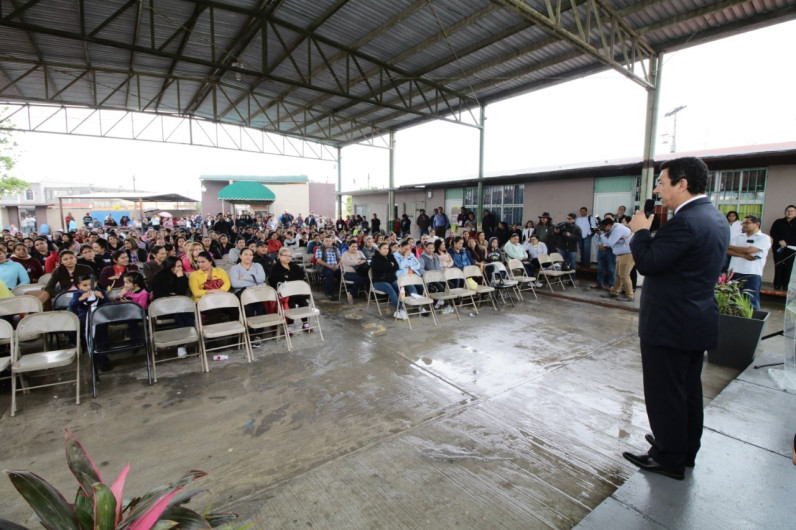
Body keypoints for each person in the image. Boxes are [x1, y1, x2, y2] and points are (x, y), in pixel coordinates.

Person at [624, 157, 730, 480]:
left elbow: (649, 262)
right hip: (695, 320)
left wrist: (641, 233)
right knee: (687, 390)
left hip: (669, 324)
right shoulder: (715, 218)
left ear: (682, 184)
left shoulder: (685, 222)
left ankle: (668, 457)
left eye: (662, 182)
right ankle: (683, 448)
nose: (658, 189)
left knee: (664, 392)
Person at [727, 215, 771, 310]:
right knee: (732, 300)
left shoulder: (764, 238)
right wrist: (743, 255)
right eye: (743, 223)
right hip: (734, 271)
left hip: (752, 273)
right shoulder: (738, 237)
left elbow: (749, 250)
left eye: (747, 223)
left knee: (751, 302)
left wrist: (732, 247)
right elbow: (727, 250)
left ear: (757, 224)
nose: (744, 225)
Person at [268, 247, 311, 333]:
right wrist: (291, 278)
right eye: (285, 255)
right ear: (279, 256)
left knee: (304, 303)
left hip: (297, 292)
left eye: (290, 256)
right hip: (285, 295)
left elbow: (301, 277)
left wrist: (288, 277)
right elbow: (275, 281)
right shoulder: (275, 268)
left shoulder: (294, 266)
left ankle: (305, 323)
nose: (288, 258)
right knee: (290, 305)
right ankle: (289, 325)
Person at [598, 217, 634, 302]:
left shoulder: (618, 229)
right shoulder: (614, 229)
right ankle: (614, 292)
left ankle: (630, 295)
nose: (604, 229)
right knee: (618, 274)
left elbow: (609, 243)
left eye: (605, 227)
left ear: (610, 225)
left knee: (624, 275)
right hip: (622, 254)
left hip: (628, 254)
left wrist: (602, 234)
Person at [370, 242, 407, 320]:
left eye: (387, 248)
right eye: (384, 248)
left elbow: (396, 267)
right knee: (390, 289)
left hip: (390, 279)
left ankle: (402, 305)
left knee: (399, 286)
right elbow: (381, 268)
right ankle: (399, 309)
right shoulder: (375, 258)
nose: (386, 250)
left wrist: (389, 266)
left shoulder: (390, 256)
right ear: (379, 249)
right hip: (379, 281)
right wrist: (390, 265)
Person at [229, 247, 267, 317]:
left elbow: (262, 279)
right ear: (240, 256)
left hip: (257, 291)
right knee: (248, 309)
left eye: (250, 255)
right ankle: (249, 327)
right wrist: (255, 281)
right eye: (246, 254)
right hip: (242, 292)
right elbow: (235, 284)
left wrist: (245, 277)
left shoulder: (257, 266)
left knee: (261, 308)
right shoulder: (235, 268)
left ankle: (260, 327)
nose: (248, 257)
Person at [769, 205, 796, 291]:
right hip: (779, 248)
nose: (790, 212)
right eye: (788, 210)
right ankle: (777, 284)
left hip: (792, 249)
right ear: (785, 212)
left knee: (789, 266)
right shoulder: (778, 222)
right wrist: (779, 240)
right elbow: (772, 232)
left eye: (792, 211)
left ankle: (786, 285)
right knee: (778, 265)